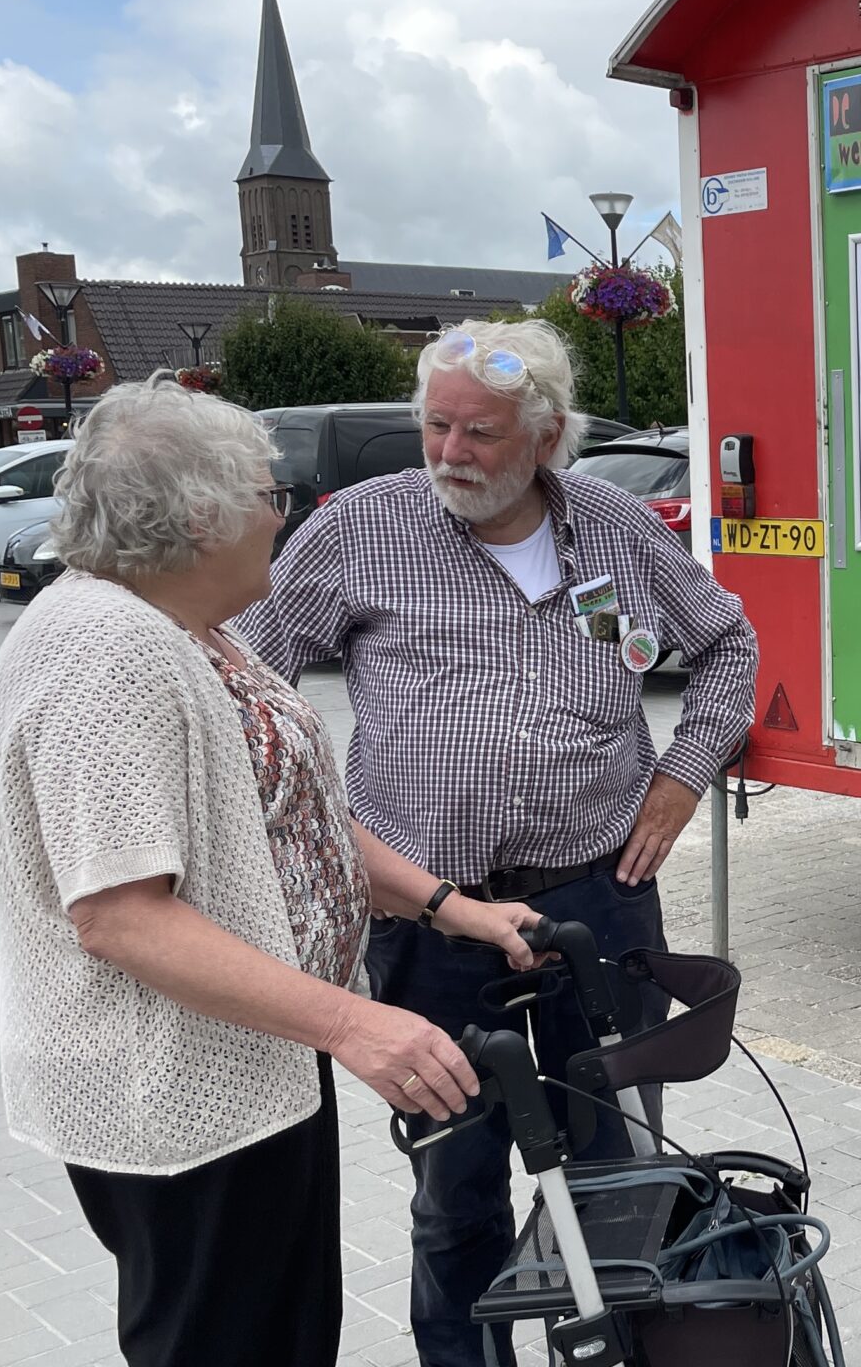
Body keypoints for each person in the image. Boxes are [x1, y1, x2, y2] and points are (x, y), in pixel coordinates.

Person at [0, 373, 544, 1367]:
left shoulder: (189, 628)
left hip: (259, 1058)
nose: (281, 520)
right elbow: (121, 918)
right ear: (201, 517)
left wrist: (450, 908)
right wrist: (356, 1022)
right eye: (267, 496)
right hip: (180, 1092)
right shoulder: (104, 656)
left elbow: (290, 820)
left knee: (285, 1336)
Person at [232, 317, 757, 1367]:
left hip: (594, 903)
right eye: (434, 426)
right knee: (455, 1188)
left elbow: (726, 645)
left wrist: (679, 780)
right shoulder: (361, 530)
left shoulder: (611, 526)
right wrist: (304, 828)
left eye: (479, 434)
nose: (449, 455)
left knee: (613, 1171)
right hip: (431, 924)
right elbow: (243, 676)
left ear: (547, 437)